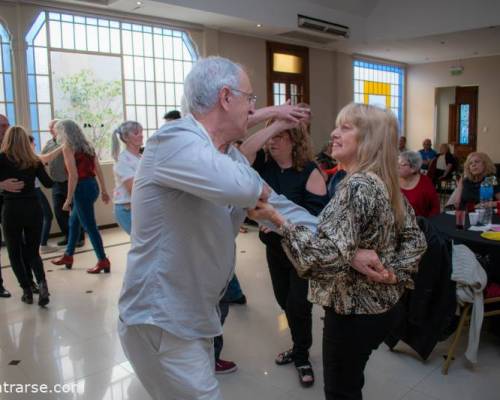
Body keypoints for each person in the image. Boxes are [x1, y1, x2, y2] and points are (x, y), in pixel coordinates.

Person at [248, 103, 427, 400]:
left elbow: (321, 260)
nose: (333, 133)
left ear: (368, 140)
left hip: (352, 314)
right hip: (383, 310)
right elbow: (416, 241)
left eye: (345, 128)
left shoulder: (355, 186)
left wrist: (278, 220)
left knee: (341, 392)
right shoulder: (385, 182)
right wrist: (390, 271)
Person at [118, 57, 270, 400]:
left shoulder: (218, 153)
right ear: (226, 97)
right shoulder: (174, 141)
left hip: (193, 316)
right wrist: (255, 184)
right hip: (162, 319)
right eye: (250, 99)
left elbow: (264, 196)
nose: (253, 107)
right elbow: (249, 188)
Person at [240, 108, 327, 387]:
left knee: (298, 304)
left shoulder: (309, 171)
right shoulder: (263, 163)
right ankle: (298, 343)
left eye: (279, 136)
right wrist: (274, 122)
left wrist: (277, 220)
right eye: (270, 136)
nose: (271, 142)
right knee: (283, 301)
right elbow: (243, 151)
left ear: (295, 140)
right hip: (275, 250)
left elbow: (316, 220)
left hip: (300, 254)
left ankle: (302, 355)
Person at [0, 126, 54, 306]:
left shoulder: (1, 159)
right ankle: (43, 285)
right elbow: (48, 183)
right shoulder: (34, 160)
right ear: (25, 141)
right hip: (33, 208)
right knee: (32, 252)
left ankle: (27, 291)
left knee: (14, 253)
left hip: (12, 210)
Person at [50, 120, 111, 273]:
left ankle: (103, 260)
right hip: (92, 186)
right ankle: (68, 255)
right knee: (73, 222)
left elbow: (73, 175)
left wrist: (68, 199)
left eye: (57, 131)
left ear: (64, 132)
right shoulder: (87, 145)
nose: (56, 134)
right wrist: (103, 190)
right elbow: (97, 168)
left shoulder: (68, 147)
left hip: (81, 188)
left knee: (90, 226)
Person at [42, 119, 85, 247]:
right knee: (59, 212)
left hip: (69, 181)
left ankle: (79, 238)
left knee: (75, 211)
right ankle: (68, 236)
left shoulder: (69, 143)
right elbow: (44, 159)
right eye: (50, 128)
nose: (51, 130)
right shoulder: (49, 143)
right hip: (56, 182)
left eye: (53, 128)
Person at [0, 114, 24, 298]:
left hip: (14, 205)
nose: (5, 128)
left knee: (19, 244)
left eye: (7, 125)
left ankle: (27, 283)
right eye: (1, 125)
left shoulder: (12, 149)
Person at [111, 121, 143, 235]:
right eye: (136, 133)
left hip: (138, 207)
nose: (141, 135)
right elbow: (134, 189)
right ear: (126, 137)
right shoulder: (123, 160)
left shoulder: (140, 157)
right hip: (127, 209)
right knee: (141, 246)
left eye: (141, 132)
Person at [399, 151, 440, 217]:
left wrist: (428, 224)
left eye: (402, 164)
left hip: (420, 224)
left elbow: (435, 208)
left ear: (413, 168)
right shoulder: (393, 181)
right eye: (397, 163)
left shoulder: (425, 183)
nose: (398, 166)